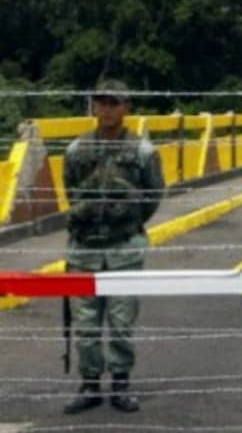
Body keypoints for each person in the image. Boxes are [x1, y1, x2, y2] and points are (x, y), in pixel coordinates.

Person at [62, 80, 164, 414]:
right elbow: (70, 190)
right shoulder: (77, 149)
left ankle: (121, 383)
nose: (106, 109)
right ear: (93, 107)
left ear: (126, 107)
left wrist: (128, 219)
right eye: (101, 103)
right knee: (86, 324)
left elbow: (153, 195)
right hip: (84, 249)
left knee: (121, 323)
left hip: (124, 248)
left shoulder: (142, 151)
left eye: (113, 103)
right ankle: (90, 384)